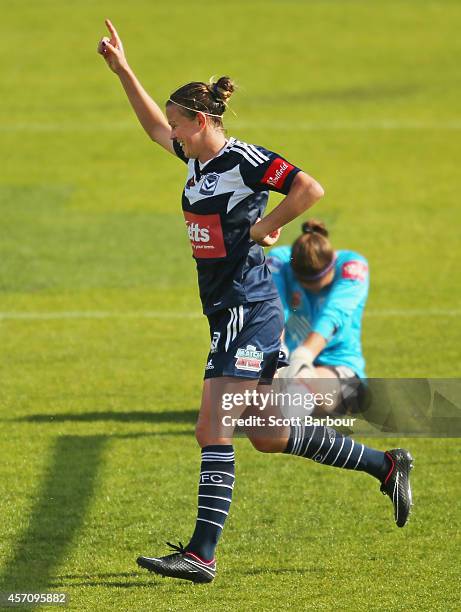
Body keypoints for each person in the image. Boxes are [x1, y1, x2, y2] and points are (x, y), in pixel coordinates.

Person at [97, 20, 413, 585]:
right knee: (268, 433)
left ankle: (201, 553)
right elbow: (150, 129)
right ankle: (386, 466)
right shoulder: (196, 158)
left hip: (247, 307)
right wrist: (124, 72)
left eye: (178, 125)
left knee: (211, 425)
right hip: (227, 307)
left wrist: (267, 225)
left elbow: (308, 188)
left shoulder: (243, 159)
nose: (171, 134)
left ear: (201, 121)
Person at [268, 219, 369, 415]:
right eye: (305, 283)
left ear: (332, 266)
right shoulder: (280, 261)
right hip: (288, 363)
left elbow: (333, 315)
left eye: (319, 283)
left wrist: (303, 356)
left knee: (299, 393)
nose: (312, 289)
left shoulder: (352, 266)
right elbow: (274, 309)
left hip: (339, 364)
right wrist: (279, 355)